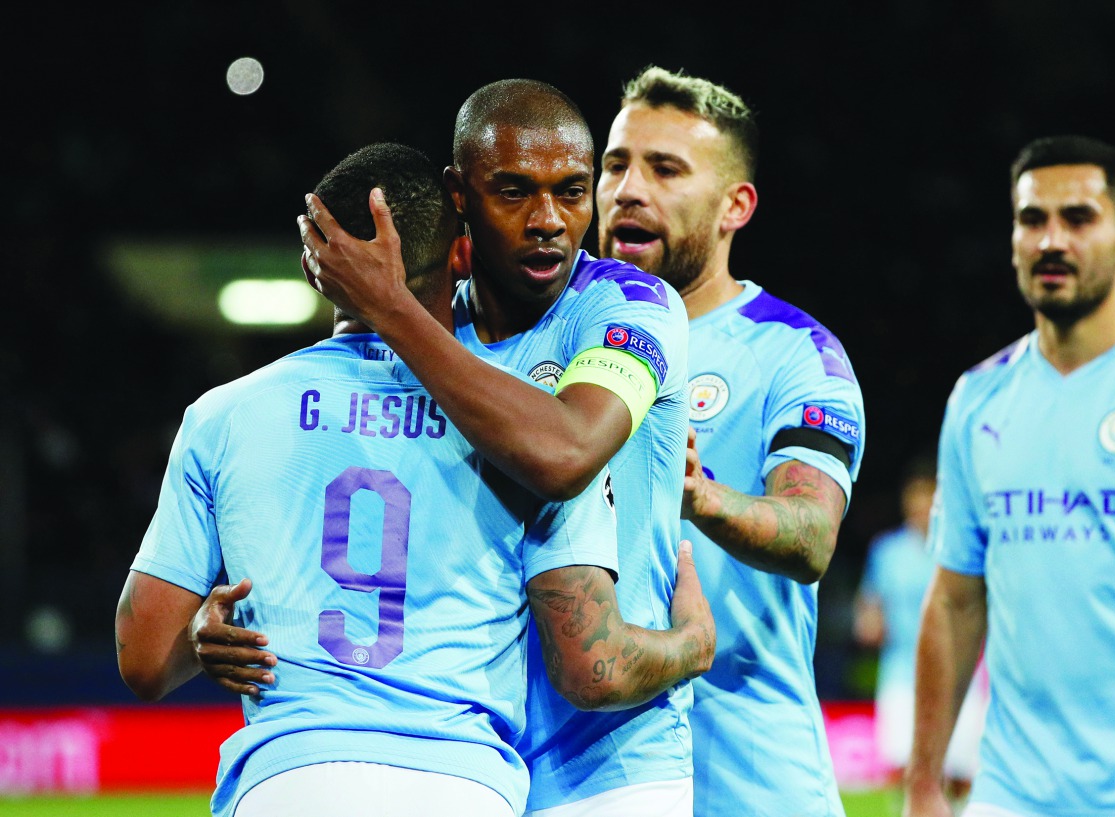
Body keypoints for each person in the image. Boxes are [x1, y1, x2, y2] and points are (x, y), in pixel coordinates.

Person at [115, 142, 713, 817]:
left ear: (319, 265)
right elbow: (588, 661)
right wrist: (693, 641)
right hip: (460, 779)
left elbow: (142, 659)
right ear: (462, 256)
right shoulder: (519, 425)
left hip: (285, 777)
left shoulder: (223, 415)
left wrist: (201, 628)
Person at [595, 65, 866, 817]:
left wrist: (696, 494)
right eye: (616, 164)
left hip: (750, 784)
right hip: (589, 781)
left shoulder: (794, 352)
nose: (628, 189)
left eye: (665, 169)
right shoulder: (549, 341)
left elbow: (811, 535)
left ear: (734, 206)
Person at [904, 135, 1115, 817]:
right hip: (1012, 794)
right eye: (1032, 219)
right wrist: (924, 781)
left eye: (1078, 218)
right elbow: (953, 601)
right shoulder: (977, 399)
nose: (1050, 240)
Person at [853, 454, 985, 800]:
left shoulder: (958, 548)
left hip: (958, 676)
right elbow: (870, 607)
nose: (919, 506)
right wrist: (869, 623)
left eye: (928, 498)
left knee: (960, 774)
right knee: (903, 767)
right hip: (902, 673)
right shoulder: (887, 551)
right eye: (914, 498)